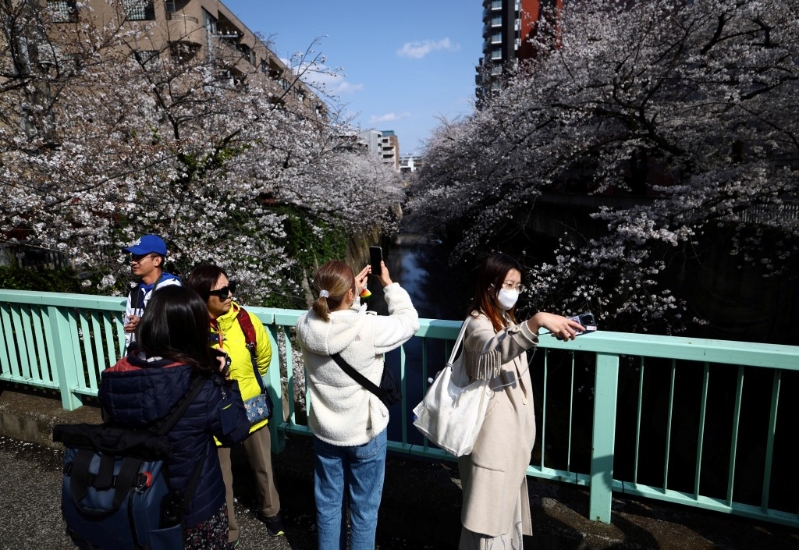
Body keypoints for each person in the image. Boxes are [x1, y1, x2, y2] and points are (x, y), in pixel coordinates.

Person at [99, 285, 251, 549]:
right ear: (192, 330)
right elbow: (235, 431)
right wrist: (225, 381)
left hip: (136, 497)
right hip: (193, 506)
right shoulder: (200, 383)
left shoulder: (115, 376)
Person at [458, 253, 584, 549]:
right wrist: (536, 322)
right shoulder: (477, 322)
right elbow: (490, 353)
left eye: (517, 285)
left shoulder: (502, 319)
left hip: (507, 447)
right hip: (490, 447)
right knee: (488, 525)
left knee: (499, 521)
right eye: (508, 284)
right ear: (490, 286)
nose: (513, 291)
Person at [296, 259, 419, 550]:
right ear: (351, 293)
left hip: (326, 433)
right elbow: (409, 321)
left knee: (327, 507)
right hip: (365, 433)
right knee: (364, 512)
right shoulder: (368, 328)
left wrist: (350, 293)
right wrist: (388, 285)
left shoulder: (304, 326)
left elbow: (329, 318)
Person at [185, 265, 284, 545]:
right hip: (214, 410)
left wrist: (247, 382)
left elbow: (263, 356)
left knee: (263, 466)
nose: (230, 295)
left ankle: (272, 513)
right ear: (202, 296)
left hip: (251, 404)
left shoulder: (246, 320)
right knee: (221, 478)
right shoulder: (191, 328)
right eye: (222, 291)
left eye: (231, 287)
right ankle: (229, 531)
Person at [122, 234, 181, 347]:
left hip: (165, 357)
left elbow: (174, 329)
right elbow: (128, 334)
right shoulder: (135, 293)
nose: (133, 262)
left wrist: (142, 325)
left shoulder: (172, 290)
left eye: (139, 257)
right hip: (138, 357)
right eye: (133, 257)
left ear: (157, 261)